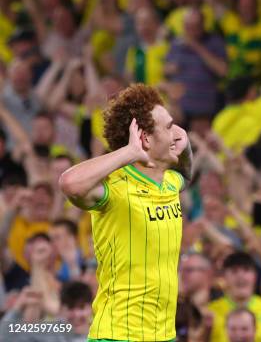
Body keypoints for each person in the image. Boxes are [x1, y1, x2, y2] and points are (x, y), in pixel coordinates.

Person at [58, 84, 193, 342]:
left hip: (164, 335)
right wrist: (129, 153)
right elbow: (69, 184)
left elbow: (186, 175)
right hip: (118, 335)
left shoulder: (169, 182)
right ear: (145, 139)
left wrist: (184, 146)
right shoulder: (115, 187)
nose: (177, 132)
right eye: (168, 127)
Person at [206, 251, 261, 342]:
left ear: (255, 276)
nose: (240, 276)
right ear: (224, 277)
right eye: (234, 271)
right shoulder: (210, 312)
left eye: (246, 270)